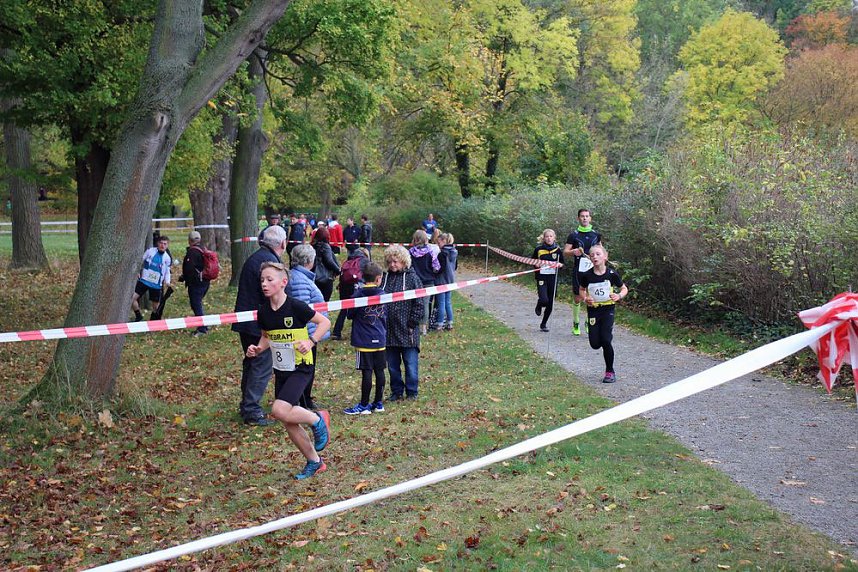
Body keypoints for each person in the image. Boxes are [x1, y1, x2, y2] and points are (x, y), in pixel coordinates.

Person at [245, 262, 331, 480]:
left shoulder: (296, 306)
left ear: (283, 282)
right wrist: (257, 348)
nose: (264, 284)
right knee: (288, 421)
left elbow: (324, 323)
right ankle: (315, 462)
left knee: (279, 410)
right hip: (282, 369)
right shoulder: (263, 312)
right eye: (262, 280)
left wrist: (311, 341)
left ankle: (317, 419)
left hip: (301, 366)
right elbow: (266, 337)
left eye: (269, 279)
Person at [232, 224, 288, 426]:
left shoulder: (257, 257)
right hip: (258, 324)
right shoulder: (269, 263)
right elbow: (273, 296)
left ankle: (247, 404)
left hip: (247, 320)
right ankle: (251, 410)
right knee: (261, 365)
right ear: (283, 243)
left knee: (251, 362)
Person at [289, 244, 331, 410]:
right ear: (309, 261)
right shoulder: (299, 281)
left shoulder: (300, 277)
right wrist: (308, 338)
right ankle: (303, 401)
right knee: (305, 370)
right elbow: (303, 310)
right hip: (306, 335)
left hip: (310, 333)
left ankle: (305, 399)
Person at [579, 245, 628, 384]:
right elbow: (581, 290)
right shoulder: (587, 275)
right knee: (595, 344)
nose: (595, 256)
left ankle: (610, 371)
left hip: (608, 310)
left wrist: (619, 296)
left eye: (598, 254)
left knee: (606, 340)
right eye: (592, 255)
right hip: (593, 310)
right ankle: (594, 331)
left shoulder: (611, 274)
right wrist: (585, 298)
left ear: (605, 257)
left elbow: (624, 288)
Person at [344, 262, 388, 415]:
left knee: (367, 372)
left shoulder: (357, 295)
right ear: (378, 279)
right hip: (380, 338)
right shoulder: (384, 295)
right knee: (380, 370)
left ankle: (364, 405)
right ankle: (378, 403)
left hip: (364, 341)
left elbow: (349, 315)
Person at [381, 245, 424, 400]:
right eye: (390, 261)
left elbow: (420, 303)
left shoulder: (413, 278)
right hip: (389, 330)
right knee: (392, 365)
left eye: (396, 261)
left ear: (403, 261)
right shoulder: (385, 279)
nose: (393, 264)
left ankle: (412, 391)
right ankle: (396, 391)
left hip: (408, 330)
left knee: (410, 364)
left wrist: (412, 322)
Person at [563, 208, 603, 336]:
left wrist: (603, 263)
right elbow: (565, 251)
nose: (585, 218)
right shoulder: (573, 235)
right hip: (578, 270)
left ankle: (588, 322)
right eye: (582, 216)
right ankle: (575, 323)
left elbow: (601, 251)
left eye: (587, 216)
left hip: (592, 269)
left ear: (590, 218)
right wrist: (573, 252)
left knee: (591, 297)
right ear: (578, 218)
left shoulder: (596, 235)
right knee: (578, 297)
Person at [331, 246, 370, 340]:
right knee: (358, 310)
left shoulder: (348, 261)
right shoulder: (365, 261)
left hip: (344, 287)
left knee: (344, 309)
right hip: (356, 286)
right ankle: (356, 333)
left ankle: (336, 332)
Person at [131, 235, 172, 322]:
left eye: (165, 244)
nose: (162, 245)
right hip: (144, 281)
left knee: (156, 307)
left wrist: (168, 282)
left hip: (156, 285)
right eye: (161, 243)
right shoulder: (150, 251)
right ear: (158, 243)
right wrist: (137, 271)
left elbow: (167, 272)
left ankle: (152, 322)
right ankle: (138, 316)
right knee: (132, 299)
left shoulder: (167, 258)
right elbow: (140, 260)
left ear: (167, 245)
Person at [408, 229, 440, 335]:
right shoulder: (431, 251)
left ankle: (412, 325)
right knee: (425, 304)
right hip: (428, 281)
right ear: (425, 239)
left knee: (413, 304)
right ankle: (423, 328)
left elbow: (407, 266)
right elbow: (436, 267)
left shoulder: (410, 252)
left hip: (414, 281)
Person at [180, 231, 211, 337]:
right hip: (205, 282)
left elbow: (189, 269)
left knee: (196, 305)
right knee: (198, 305)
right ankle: (204, 325)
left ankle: (202, 329)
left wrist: (185, 278)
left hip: (196, 284)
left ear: (189, 240)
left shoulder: (192, 252)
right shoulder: (204, 249)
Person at [533, 229, 564, 333]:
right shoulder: (538, 249)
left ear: (554, 238)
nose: (549, 238)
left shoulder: (558, 250)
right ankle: (539, 304)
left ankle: (544, 324)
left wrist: (560, 265)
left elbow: (563, 264)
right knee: (544, 299)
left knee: (550, 303)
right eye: (547, 236)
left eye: (551, 236)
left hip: (552, 278)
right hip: (541, 278)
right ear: (544, 238)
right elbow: (532, 261)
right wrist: (536, 264)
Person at [434, 232, 458, 331]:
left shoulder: (442, 254)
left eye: (438, 242)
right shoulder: (454, 251)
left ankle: (440, 323)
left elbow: (441, 268)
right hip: (451, 280)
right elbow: (455, 266)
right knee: (448, 302)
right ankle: (450, 323)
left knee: (441, 303)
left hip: (441, 280)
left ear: (444, 241)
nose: (438, 245)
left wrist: (434, 271)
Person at [310, 226, 341, 302]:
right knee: (324, 302)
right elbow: (329, 261)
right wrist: (338, 270)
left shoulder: (313, 246)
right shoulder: (325, 246)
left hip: (314, 276)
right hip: (325, 278)